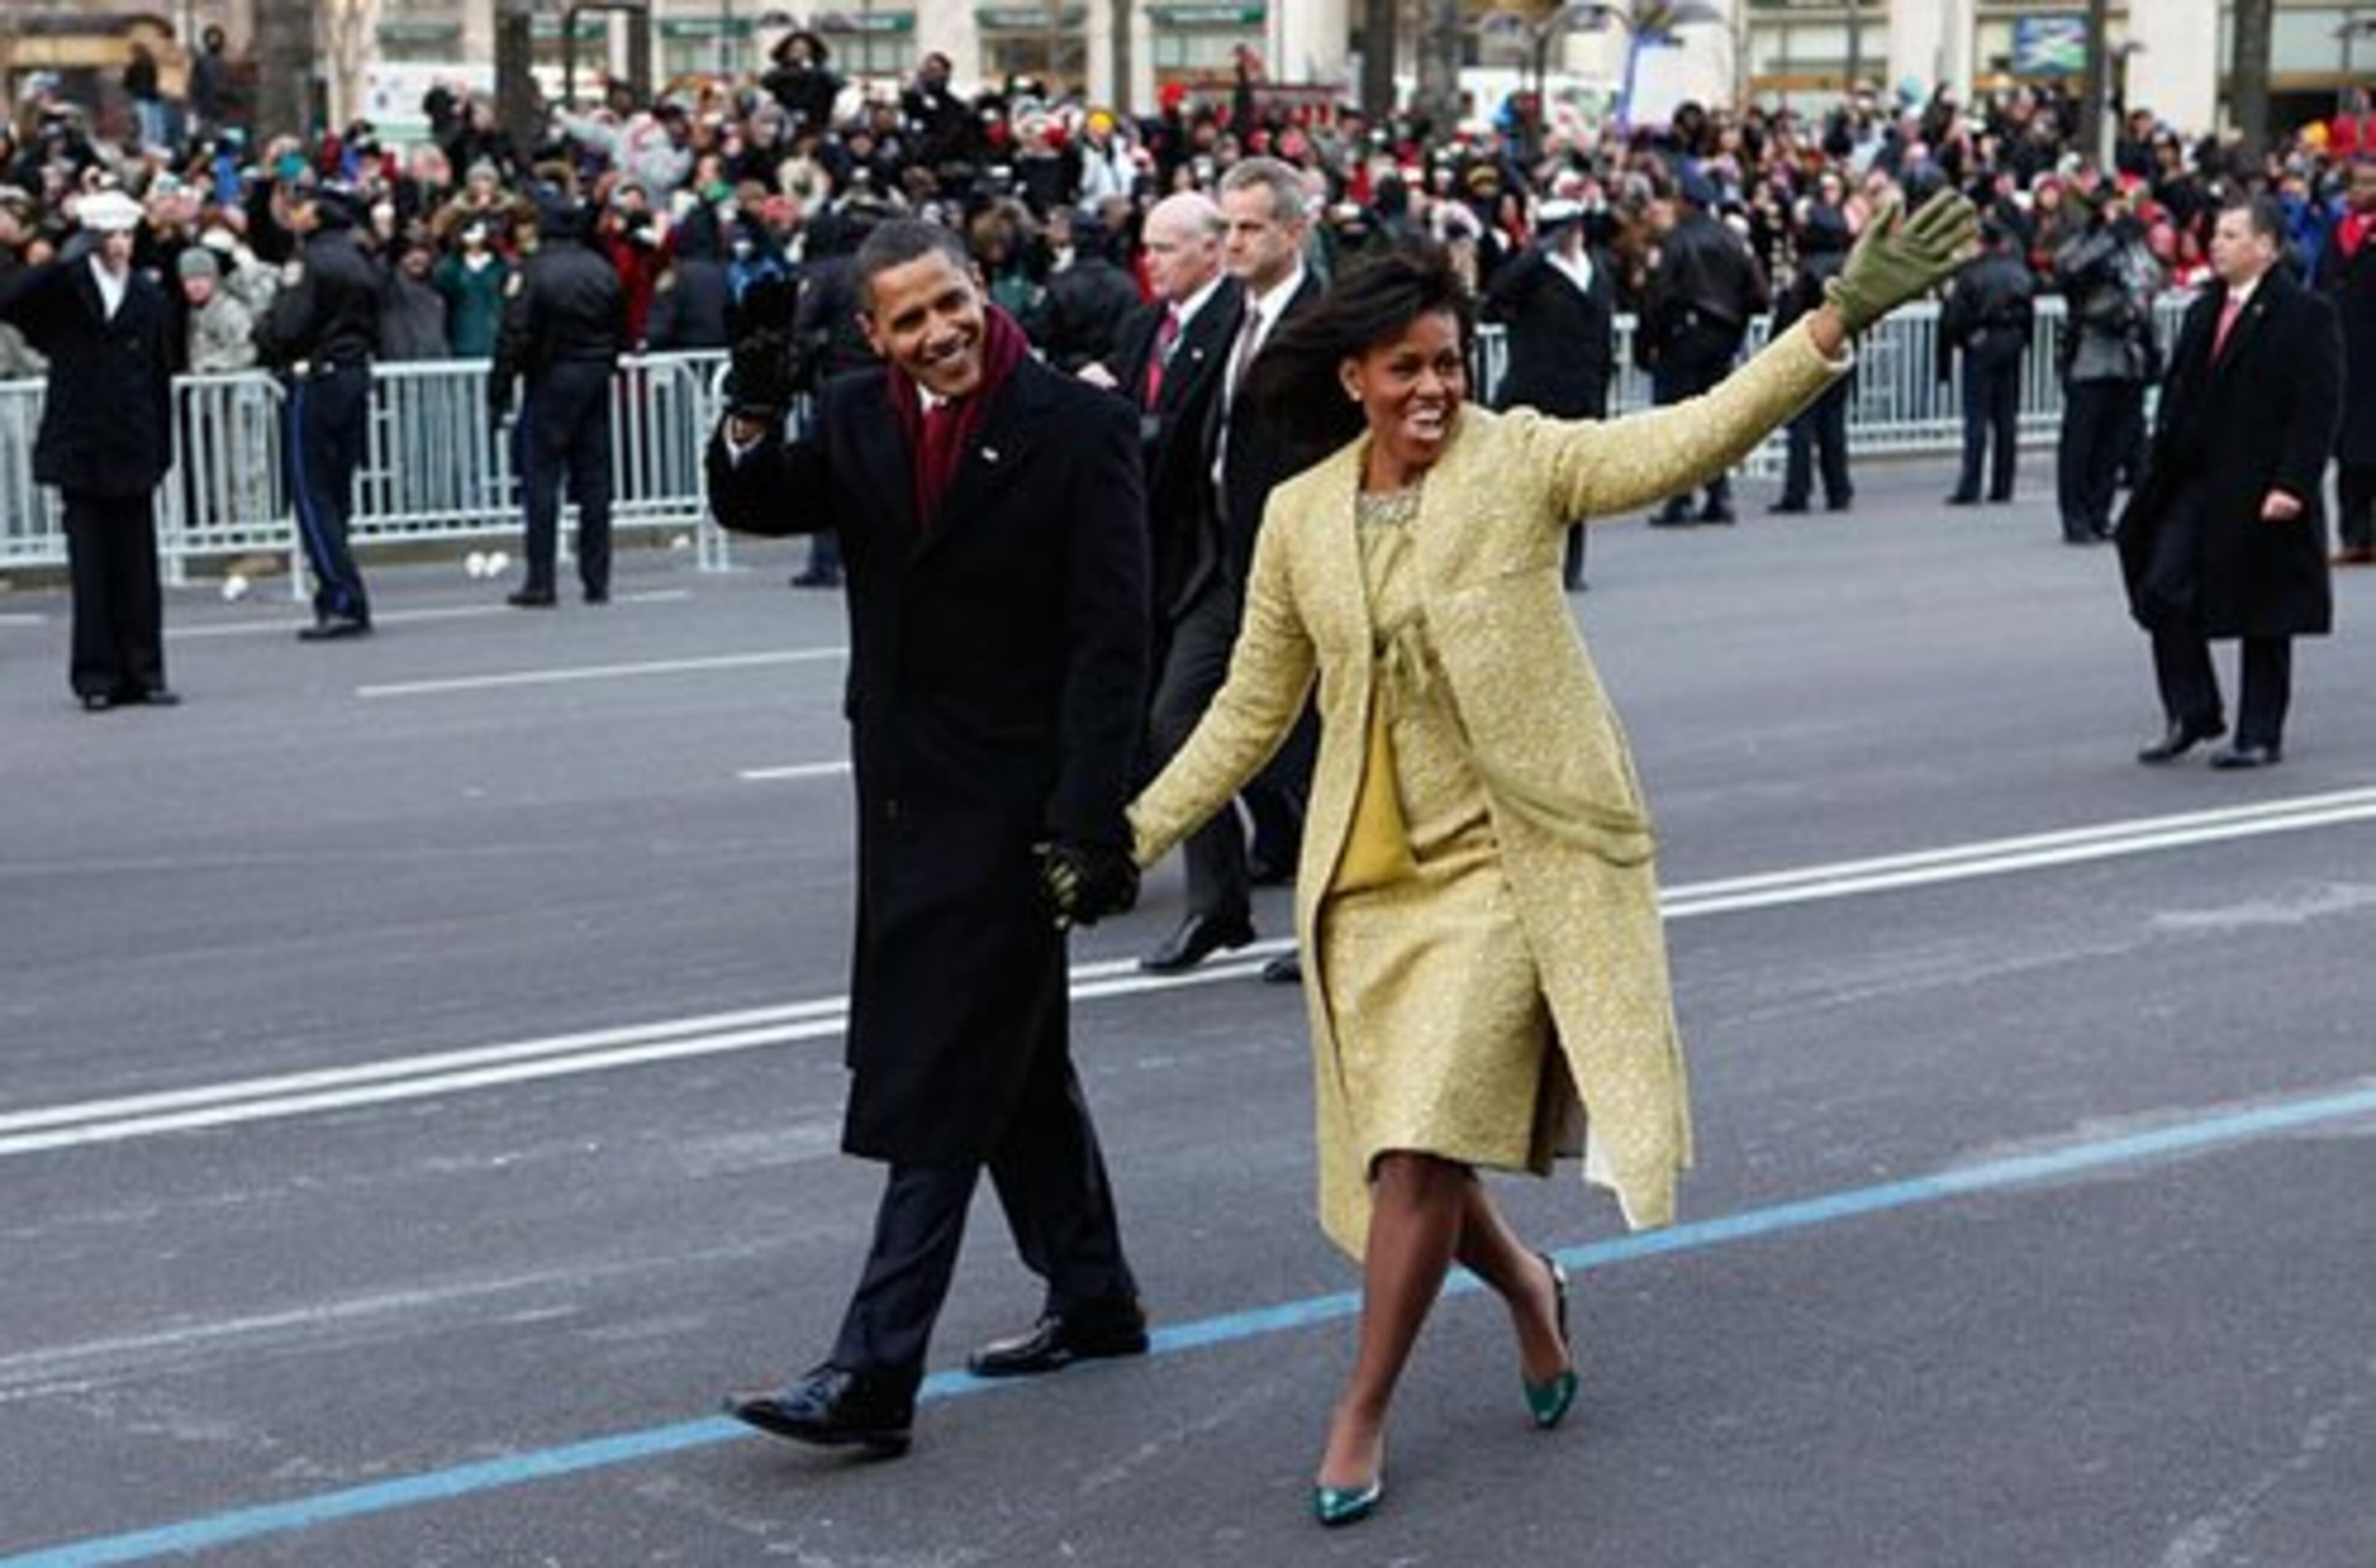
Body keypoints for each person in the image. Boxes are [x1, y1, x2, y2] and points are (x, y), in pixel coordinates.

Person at [1124, 197, 1974, 1527]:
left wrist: (1836, 320)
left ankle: (1361, 1409)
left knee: (1416, 1140)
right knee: (1424, 1139)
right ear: (1353, 378)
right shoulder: (1297, 517)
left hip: (1512, 866)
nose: (1432, 388)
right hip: (1372, 879)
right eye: (1405, 367)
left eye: (1450, 363)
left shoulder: (1518, 460)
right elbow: (1248, 709)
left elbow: (1682, 438)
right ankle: (1526, 1283)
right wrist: (1129, 835)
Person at [707, 220, 1153, 1456]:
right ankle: (1097, 1293)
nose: (941, 334)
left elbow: (1112, 645)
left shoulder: (1080, 425)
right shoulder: (855, 413)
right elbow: (751, 500)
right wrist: (749, 402)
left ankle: (873, 1367)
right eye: (910, 321)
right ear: (873, 335)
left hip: (1016, 810)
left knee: (946, 1069)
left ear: (982, 288)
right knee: (1012, 1063)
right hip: (903, 794)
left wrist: (1089, 817)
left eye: (952, 305)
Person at [2117, 196, 2344, 770]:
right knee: (2162, 587)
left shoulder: (2304, 314)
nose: (2217, 244)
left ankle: (2260, 732)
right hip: (2194, 479)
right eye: (2217, 234)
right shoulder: (2202, 310)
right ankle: (2192, 710)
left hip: (2261, 482)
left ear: (2266, 247)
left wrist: (2293, 483)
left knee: (2265, 610)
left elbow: (2317, 409)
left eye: (2232, 235)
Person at [1094, 192, 1252, 976]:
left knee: (1181, 717)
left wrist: (1113, 417)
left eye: (1165, 247)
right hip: (1158, 551)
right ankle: (1223, 883)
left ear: (1211, 249)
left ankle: (1221, 897)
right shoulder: (1142, 328)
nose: (1150, 260)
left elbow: (1182, 432)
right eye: (1147, 246)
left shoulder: (1237, 321)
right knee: (1175, 716)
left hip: (1223, 555)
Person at [0, 189, 179, 710]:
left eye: (127, 234)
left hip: (132, 441)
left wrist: (163, 445)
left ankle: (145, 672)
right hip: (80, 445)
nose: (122, 245)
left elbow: (159, 374)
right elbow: (10, 301)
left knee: (138, 567)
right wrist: (63, 257)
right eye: (110, 235)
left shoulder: (148, 296)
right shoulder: (67, 289)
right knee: (91, 569)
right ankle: (97, 677)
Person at [256, 177, 382, 640]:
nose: (296, 211)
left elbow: (289, 326)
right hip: (351, 372)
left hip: (316, 375)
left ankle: (341, 595)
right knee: (336, 493)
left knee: (312, 494)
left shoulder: (309, 262)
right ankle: (340, 590)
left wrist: (265, 335)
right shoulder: (358, 258)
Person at [491, 187, 625, 608]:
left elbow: (515, 334)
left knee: (542, 481)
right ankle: (597, 578)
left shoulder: (533, 272)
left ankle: (541, 579)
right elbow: (619, 323)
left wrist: (498, 389)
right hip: (595, 376)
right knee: (595, 484)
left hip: (551, 378)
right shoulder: (601, 270)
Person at [1481, 197, 1615, 589]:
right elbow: (1496, 297)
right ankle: (1523, 562)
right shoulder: (1533, 273)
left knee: (1573, 483)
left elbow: (1603, 334)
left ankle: (1571, 565)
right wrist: (1533, 254)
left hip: (1583, 390)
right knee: (1526, 485)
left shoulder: (1596, 270)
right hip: (1535, 390)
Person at [1639, 168, 1768, 526]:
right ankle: (1719, 493)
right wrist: (1736, 326)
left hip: (1682, 337)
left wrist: (1647, 342)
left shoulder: (1677, 242)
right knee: (1715, 421)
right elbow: (1758, 293)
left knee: (1679, 421)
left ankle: (1681, 498)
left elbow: (1659, 296)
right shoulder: (1731, 238)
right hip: (1722, 337)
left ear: (1684, 203)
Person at [2054, 186, 2160, 546]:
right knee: (2081, 441)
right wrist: (2105, 242)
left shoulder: (2135, 245)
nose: (2120, 213)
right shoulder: (2083, 242)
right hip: (2089, 353)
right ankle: (2076, 516)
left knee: (2116, 442)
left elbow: (2153, 280)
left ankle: (2100, 512)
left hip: (2129, 354)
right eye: (2113, 206)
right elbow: (2068, 271)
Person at [1939, 217, 2036, 506]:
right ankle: (2003, 484)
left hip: (1981, 344)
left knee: (1977, 417)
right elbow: (2029, 310)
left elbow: (1955, 316)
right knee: (2006, 418)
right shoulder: (2018, 271)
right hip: (2012, 341)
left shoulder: (1972, 274)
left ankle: (1971, 485)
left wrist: (1960, 341)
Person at [1768, 202, 1856, 515]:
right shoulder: (1850, 269)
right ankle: (1839, 489)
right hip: (1841, 348)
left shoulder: (1806, 271)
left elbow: (1789, 313)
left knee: (1802, 426)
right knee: (1834, 425)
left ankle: (1798, 490)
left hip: (1806, 351)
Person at [2320, 155, 2376, 566]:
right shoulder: (2337, 230)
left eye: (2369, 184)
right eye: (2356, 184)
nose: (2361, 191)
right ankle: (2355, 535)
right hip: (2344, 351)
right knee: (2350, 450)